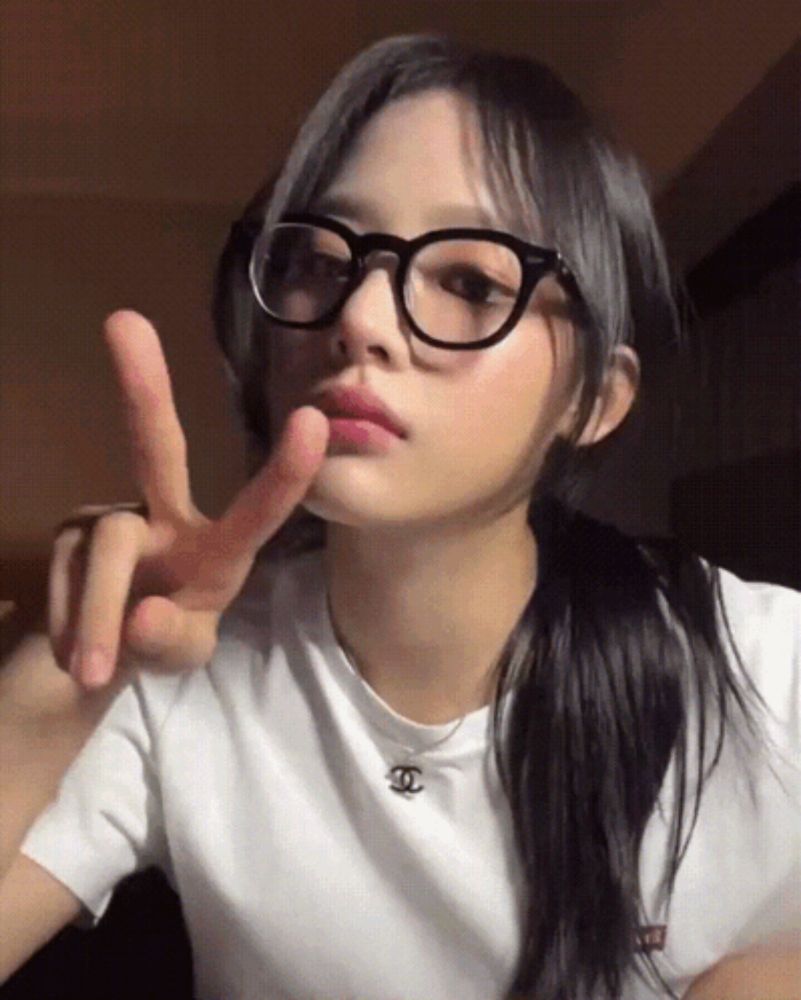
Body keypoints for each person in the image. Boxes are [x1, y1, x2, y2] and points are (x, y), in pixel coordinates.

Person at [0, 32, 798, 1000]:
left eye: (470, 282)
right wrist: (47, 692)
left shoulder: (767, 673)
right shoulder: (182, 670)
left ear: (594, 397)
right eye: (319, 260)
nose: (360, 319)